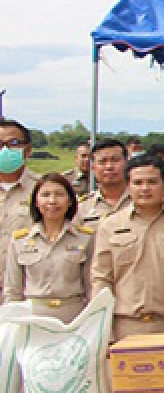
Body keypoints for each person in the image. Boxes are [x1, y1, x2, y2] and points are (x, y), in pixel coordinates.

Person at [91, 154, 164, 341]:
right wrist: (104, 330)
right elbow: (101, 278)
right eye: (138, 183)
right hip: (125, 326)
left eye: (152, 182)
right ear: (128, 186)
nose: (145, 189)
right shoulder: (110, 225)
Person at [4, 173, 94, 323]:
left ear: (70, 201)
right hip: (32, 320)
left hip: (75, 320)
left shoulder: (85, 238)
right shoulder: (20, 240)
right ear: (36, 202)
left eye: (59, 194)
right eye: (45, 195)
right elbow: (13, 291)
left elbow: (92, 288)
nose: (52, 201)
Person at [0, 119, 39, 286]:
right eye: (0, 144)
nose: (5, 150)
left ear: (28, 150)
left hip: (27, 288)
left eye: (13, 143)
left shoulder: (44, 190)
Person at [76, 138, 132, 229]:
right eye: (102, 162)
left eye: (115, 160)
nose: (109, 166)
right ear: (93, 167)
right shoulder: (81, 208)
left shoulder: (143, 201)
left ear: (127, 162)